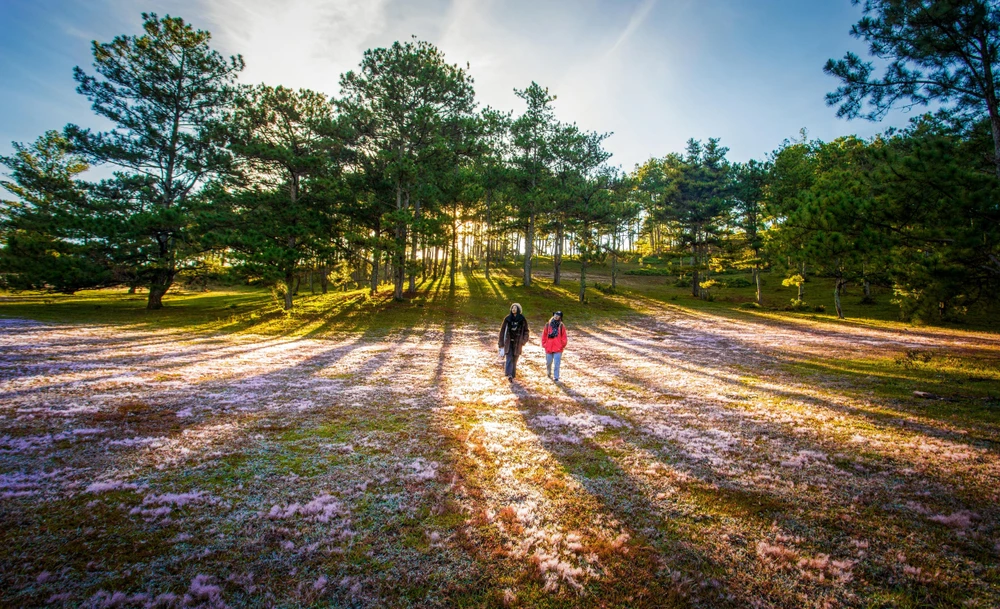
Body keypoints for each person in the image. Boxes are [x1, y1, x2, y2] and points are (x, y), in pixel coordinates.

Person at [498, 303, 529, 381]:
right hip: (508, 342)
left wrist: (523, 341)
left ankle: (512, 374)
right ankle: (509, 375)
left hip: (518, 343)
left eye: (515, 308)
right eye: (512, 308)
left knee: (515, 359)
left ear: (518, 309)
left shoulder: (522, 319)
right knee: (509, 357)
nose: (513, 309)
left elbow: (526, 331)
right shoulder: (507, 319)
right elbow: (502, 331)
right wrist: (501, 343)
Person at [541, 311, 567, 382]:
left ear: (560, 317)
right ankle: (548, 373)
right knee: (548, 362)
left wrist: (562, 345)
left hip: (558, 348)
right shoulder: (548, 325)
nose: (556, 316)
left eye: (558, 315)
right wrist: (544, 344)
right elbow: (544, 335)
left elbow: (564, 337)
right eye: (555, 314)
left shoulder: (561, 326)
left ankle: (556, 377)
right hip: (548, 347)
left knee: (556, 363)